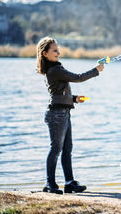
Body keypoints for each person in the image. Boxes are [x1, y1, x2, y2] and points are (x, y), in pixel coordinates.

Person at [36, 37, 104, 194]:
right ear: (45, 53)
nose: (58, 52)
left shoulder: (55, 69)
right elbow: (78, 78)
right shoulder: (55, 70)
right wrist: (95, 71)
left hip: (63, 113)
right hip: (56, 115)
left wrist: (74, 99)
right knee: (56, 149)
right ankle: (50, 185)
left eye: (58, 49)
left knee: (67, 149)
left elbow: (58, 93)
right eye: (54, 50)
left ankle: (69, 183)